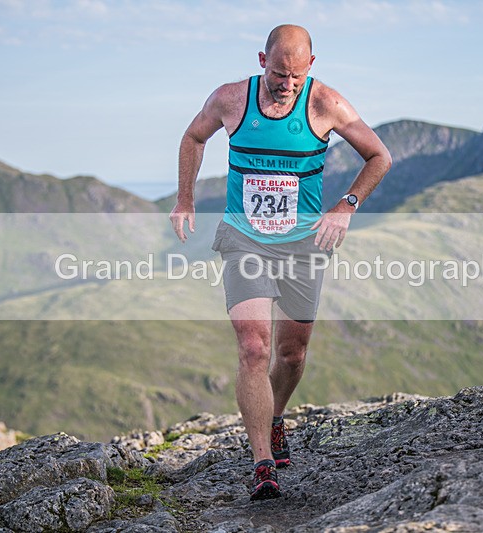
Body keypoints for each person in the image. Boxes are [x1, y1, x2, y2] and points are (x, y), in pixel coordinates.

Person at [169, 24, 391, 500]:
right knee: (254, 348)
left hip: (302, 246)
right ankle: (262, 464)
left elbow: (379, 156)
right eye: (277, 73)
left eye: (295, 75)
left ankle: (274, 416)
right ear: (261, 61)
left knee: (292, 354)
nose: (286, 84)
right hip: (244, 239)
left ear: (311, 67)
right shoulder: (230, 99)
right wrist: (185, 198)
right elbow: (193, 137)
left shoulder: (326, 103)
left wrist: (346, 206)